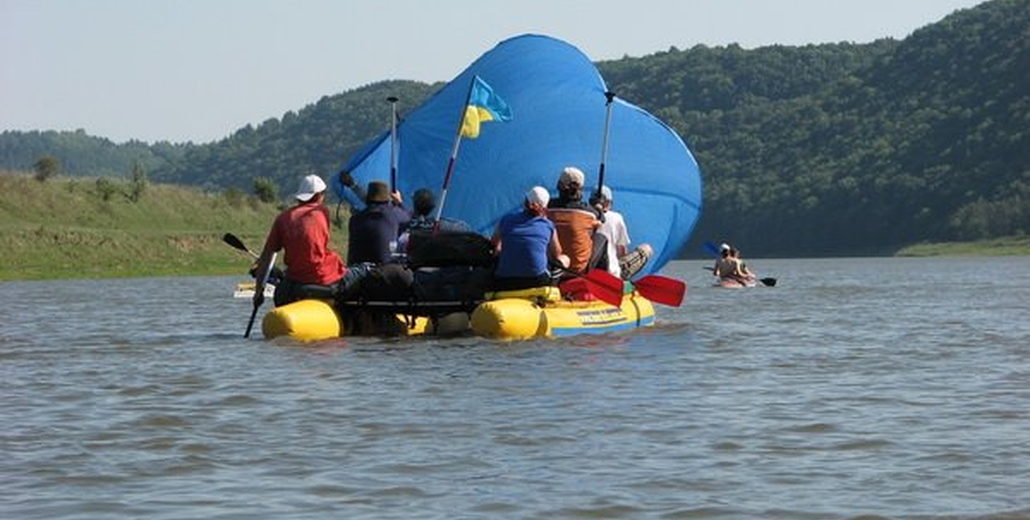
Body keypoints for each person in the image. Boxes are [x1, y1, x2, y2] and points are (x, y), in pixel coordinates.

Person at [253, 174, 371, 307]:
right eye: (323, 194)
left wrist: (258, 291)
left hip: (295, 277)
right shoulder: (322, 211)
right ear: (318, 196)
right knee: (365, 269)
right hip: (324, 277)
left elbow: (266, 256)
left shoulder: (282, 218)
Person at [491, 186, 569, 290]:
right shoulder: (548, 225)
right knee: (565, 259)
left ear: (525, 201)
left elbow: (494, 244)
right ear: (545, 208)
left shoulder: (505, 219)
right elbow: (557, 253)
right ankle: (554, 287)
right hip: (537, 281)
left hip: (504, 281)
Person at [546, 166, 603, 273]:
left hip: (551, 267)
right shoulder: (589, 212)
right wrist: (597, 206)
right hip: (577, 269)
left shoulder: (547, 207)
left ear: (559, 185)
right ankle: (601, 277)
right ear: (580, 188)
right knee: (601, 237)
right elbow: (601, 218)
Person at [592, 186, 653, 280]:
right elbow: (622, 251)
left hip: (586, 270)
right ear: (608, 202)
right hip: (611, 274)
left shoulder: (583, 217)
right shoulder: (616, 218)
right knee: (646, 249)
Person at [346, 180, 411, 265]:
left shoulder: (354, 219)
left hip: (356, 270)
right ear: (387, 200)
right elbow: (410, 219)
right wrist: (399, 202)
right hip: (381, 270)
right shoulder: (394, 214)